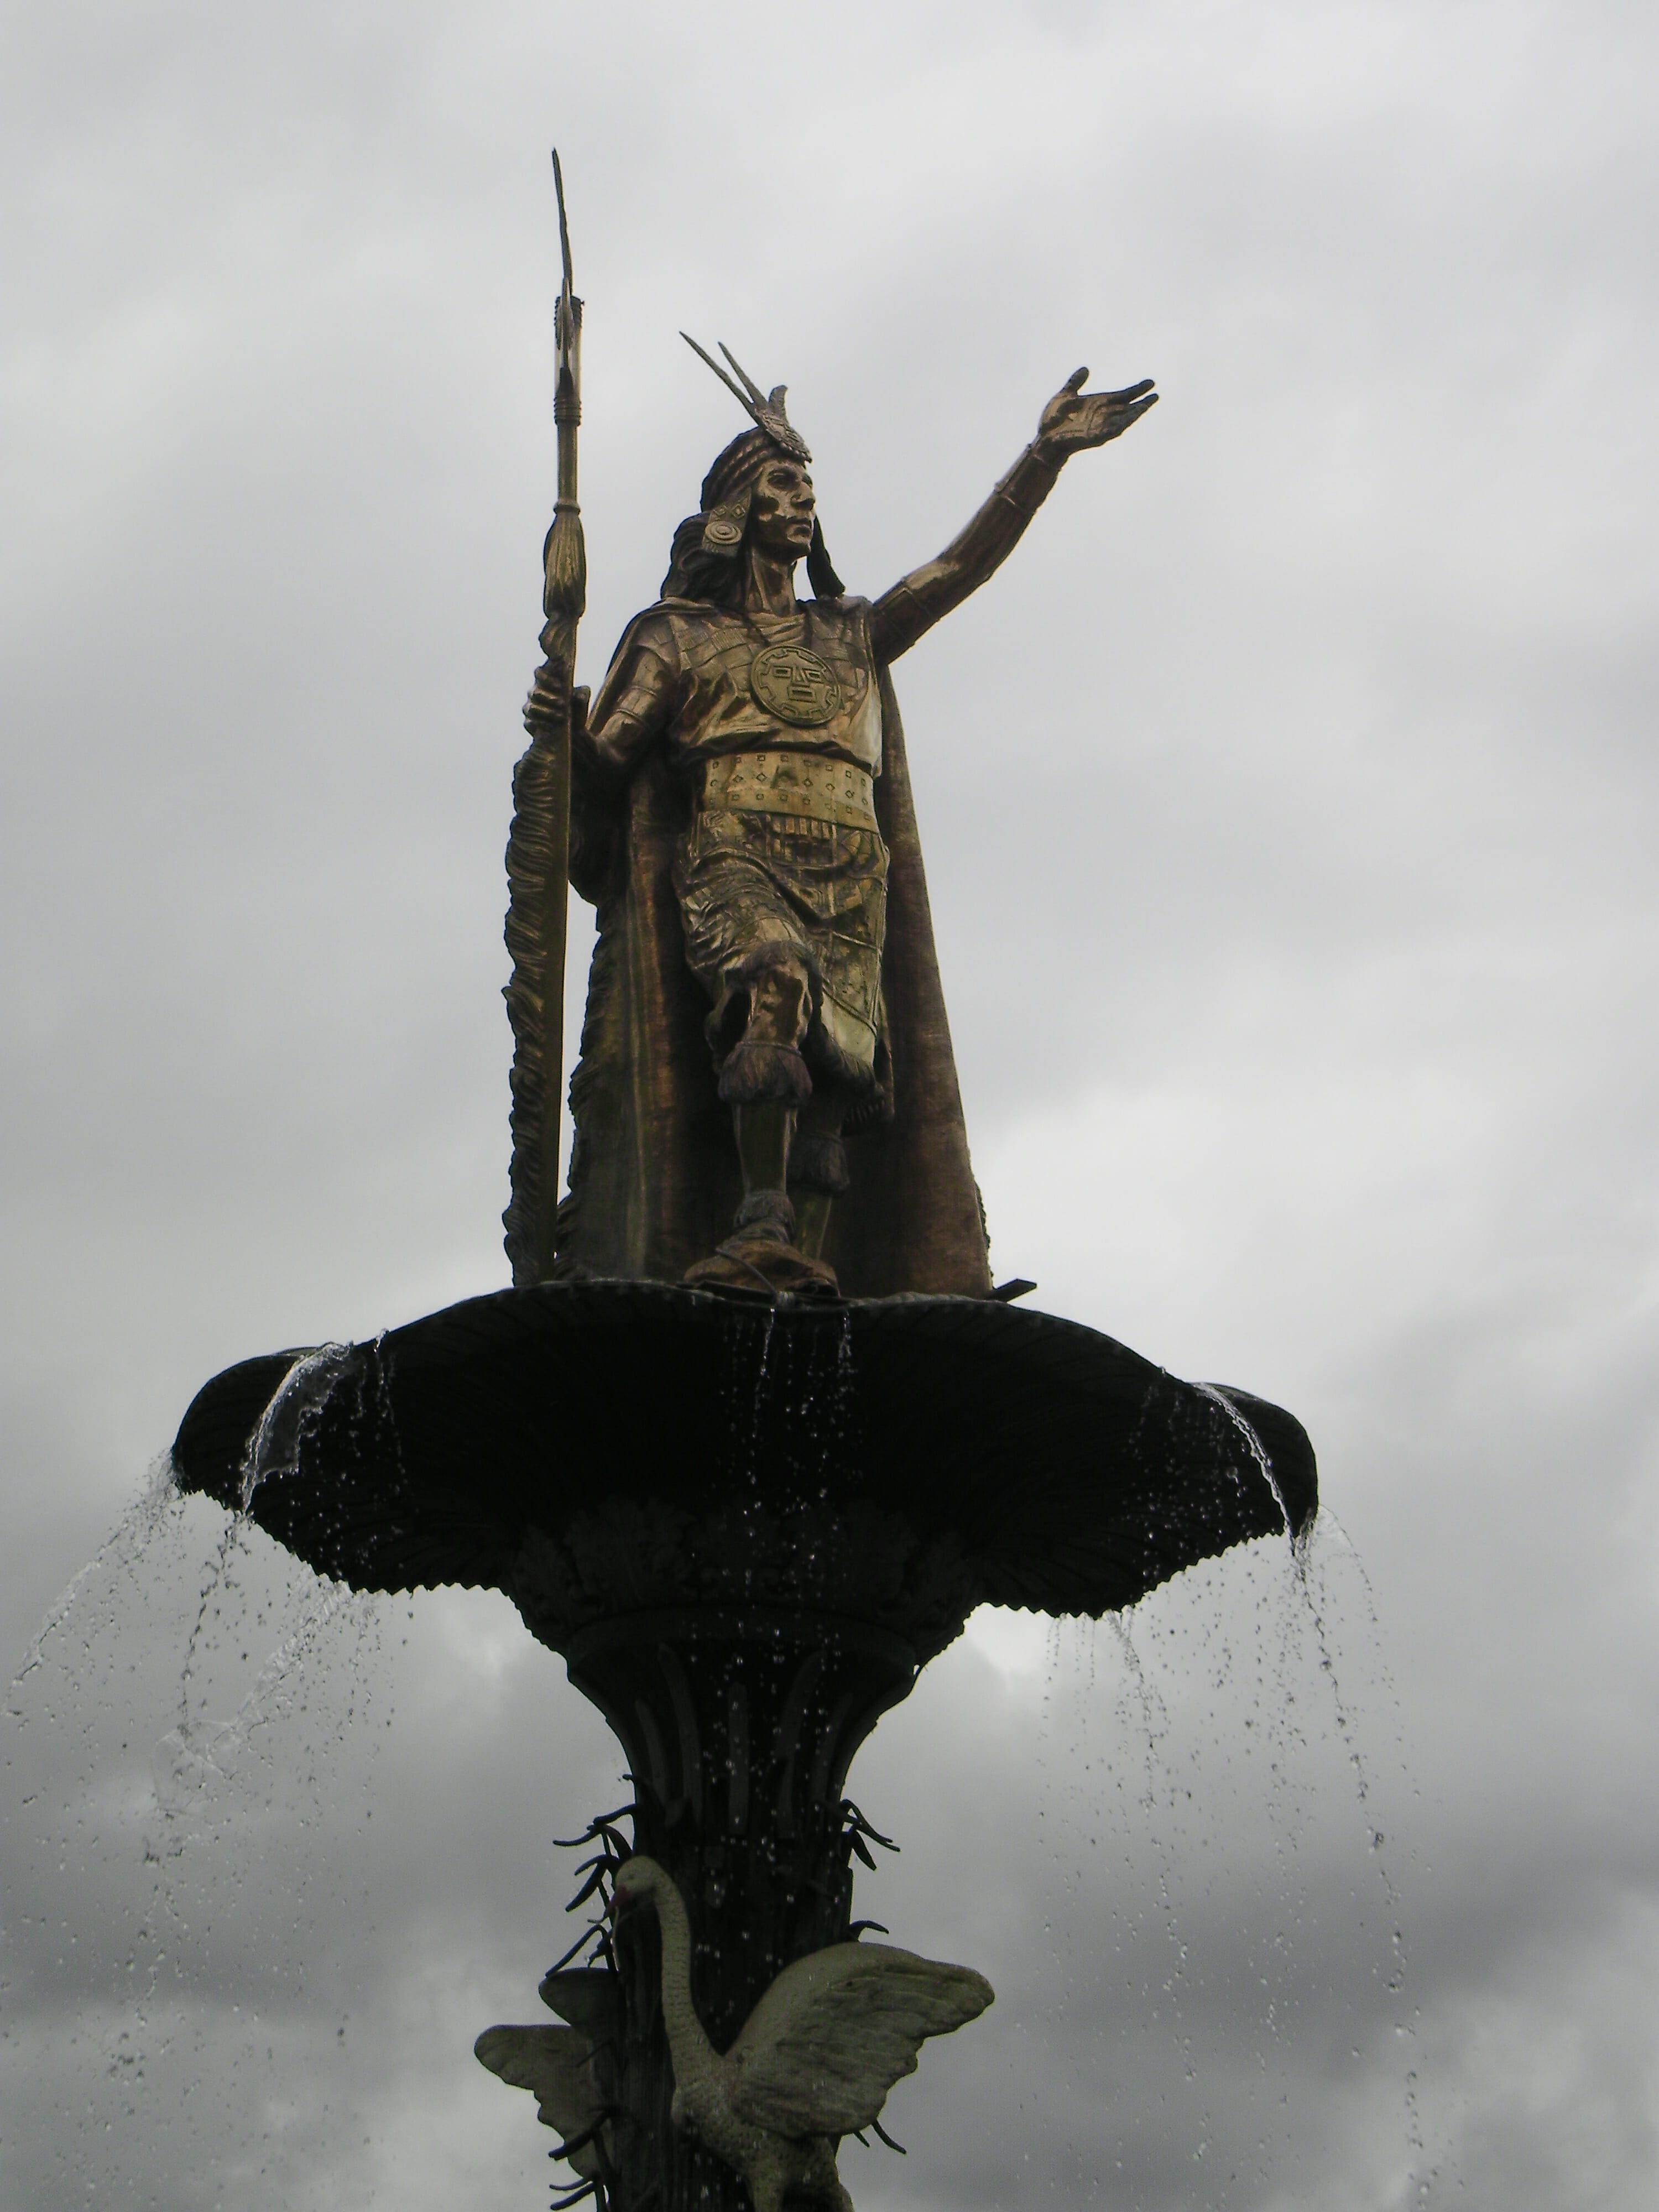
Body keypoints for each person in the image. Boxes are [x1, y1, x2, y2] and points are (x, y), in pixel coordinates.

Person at [549, 344, 1155, 1297]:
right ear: (735, 508)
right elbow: (605, 767)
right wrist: (564, 733)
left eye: (807, 489)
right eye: (781, 485)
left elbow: (955, 571)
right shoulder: (676, 636)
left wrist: (1043, 457)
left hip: (850, 865)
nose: (801, 503)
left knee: (837, 1074)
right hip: (733, 852)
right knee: (771, 975)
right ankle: (759, 1223)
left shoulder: (851, 632)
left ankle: (806, 1263)